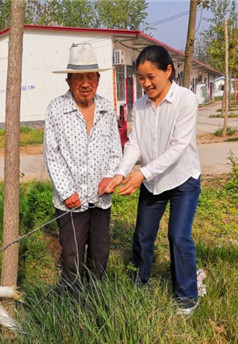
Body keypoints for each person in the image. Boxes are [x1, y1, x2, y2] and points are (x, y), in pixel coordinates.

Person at [101, 45, 201, 315]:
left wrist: (141, 173)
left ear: (168, 70)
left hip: (183, 180)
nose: (145, 84)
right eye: (141, 78)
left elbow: (179, 147)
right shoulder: (140, 106)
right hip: (153, 182)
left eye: (150, 77)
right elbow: (135, 145)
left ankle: (187, 296)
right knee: (143, 236)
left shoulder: (186, 100)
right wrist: (121, 173)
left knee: (178, 236)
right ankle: (139, 283)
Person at [44, 43, 122, 290]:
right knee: (72, 254)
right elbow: (52, 154)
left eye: (90, 77)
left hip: (100, 198)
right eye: (79, 78)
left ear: (98, 80)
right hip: (71, 201)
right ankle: (73, 301)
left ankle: (96, 295)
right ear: (68, 81)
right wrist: (67, 192)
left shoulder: (106, 108)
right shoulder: (56, 109)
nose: (85, 83)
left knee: (100, 251)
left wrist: (109, 178)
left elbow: (115, 149)